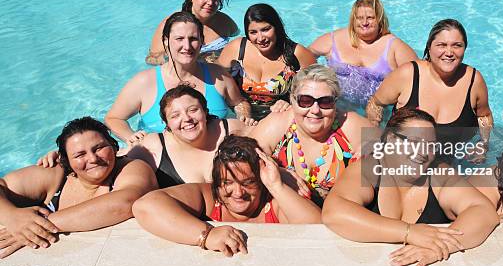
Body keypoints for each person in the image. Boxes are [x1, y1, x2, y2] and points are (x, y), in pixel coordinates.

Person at [322, 107, 499, 266]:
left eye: (430, 146)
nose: (423, 152)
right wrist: (409, 232)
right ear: (390, 139)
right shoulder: (370, 168)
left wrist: (437, 246)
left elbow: (484, 212)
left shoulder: (438, 172)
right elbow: (334, 212)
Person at [132, 135, 321, 256]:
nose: (238, 193)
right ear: (215, 182)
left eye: (249, 183)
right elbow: (145, 206)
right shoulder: (208, 197)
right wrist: (207, 235)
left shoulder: (274, 202)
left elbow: (318, 230)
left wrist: (276, 185)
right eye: (227, 183)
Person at [0, 117, 157, 258]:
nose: (93, 158)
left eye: (99, 148)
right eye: (80, 155)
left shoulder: (132, 168)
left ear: (114, 146)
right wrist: (12, 216)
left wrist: (37, 225)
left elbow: (126, 202)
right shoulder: (56, 173)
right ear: (66, 160)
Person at [39, 86, 249, 188]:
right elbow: (110, 159)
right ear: (166, 124)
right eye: (175, 115)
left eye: (193, 110)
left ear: (205, 112)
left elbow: (272, 140)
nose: (186, 119)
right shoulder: (153, 145)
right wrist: (62, 157)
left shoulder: (230, 129)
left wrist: (281, 106)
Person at [106, 11, 253, 147]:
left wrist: (243, 116)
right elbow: (113, 118)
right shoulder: (144, 82)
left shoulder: (218, 76)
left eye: (193, 39)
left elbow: (239, 102)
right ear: (165, 41)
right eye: (179, 39)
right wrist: (131, 137)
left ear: (202, 41)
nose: (187, 46)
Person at [366, 19, 492, 163]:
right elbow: (375, 103)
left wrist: (483, 145)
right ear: (429, 47)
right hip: (400, 161)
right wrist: (375, 134)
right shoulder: (408, 75)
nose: (449, 52)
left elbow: (484, 116)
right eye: (441, 45)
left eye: (457, 46)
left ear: (465, 48)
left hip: (444, 165)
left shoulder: (474, 81)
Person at [248, 64, 373, 205]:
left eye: (325, 102)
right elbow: (241, 155)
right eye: (305, 101)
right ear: (292, 100)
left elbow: (396, 146)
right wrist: (279, 172)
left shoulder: (348, 124)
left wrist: (376, 147)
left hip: (340, 217)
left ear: (335, 103)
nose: (315, 110)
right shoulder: (280, 122)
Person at [309, 0, 417, 109]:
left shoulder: (394, 46)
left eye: (370, 17)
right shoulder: (334, 39)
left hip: (378, 110)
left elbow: (420, 76)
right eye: (359, 18)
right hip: (336, 106)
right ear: (353, 19)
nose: (364, 22)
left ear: (380, 19)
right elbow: (303, 56)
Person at [217, 3, 316, 121]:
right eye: (253, 32)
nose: (260, 38)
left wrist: (292, 103)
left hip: (280, 118)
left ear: (277, 28)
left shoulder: (297, 54)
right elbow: (214, 77)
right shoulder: (237, 49)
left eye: (265, 29)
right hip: (240, 117)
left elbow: (320, 90)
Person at [146, 0, 238, 64]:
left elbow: (239, 40)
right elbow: (152, 59)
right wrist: (191, 57)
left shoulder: (224, 21)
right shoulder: (171, 24)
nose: (210, 2)